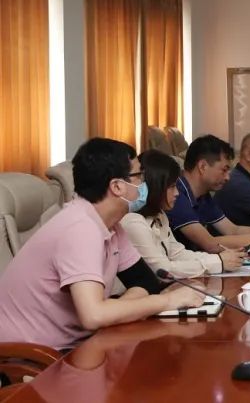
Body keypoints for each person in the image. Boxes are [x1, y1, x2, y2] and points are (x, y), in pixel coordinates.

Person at [0, 138, 203, 350]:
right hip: (31, 356)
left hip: (78, 344)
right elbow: (94, 316)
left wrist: (115, 310)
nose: (144, 184)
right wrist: (167, 301)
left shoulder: (111, 225)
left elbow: (145, 282)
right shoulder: (79, 228)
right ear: (117, 186)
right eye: (139, 176)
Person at [120, 150, 245, 278]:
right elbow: (163, 270)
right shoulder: (133, 221)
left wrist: (219, 259)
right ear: (156, 187)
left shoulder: (160, 215)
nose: (177, 193)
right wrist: (217, 262)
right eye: (172, 186)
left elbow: (178, 254)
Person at [165, 134, 250, 252]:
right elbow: (209, 244)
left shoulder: (203, 195)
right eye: (224, 170)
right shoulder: (176, 194)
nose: (228, 177)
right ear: (203, 166)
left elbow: (233, 230)